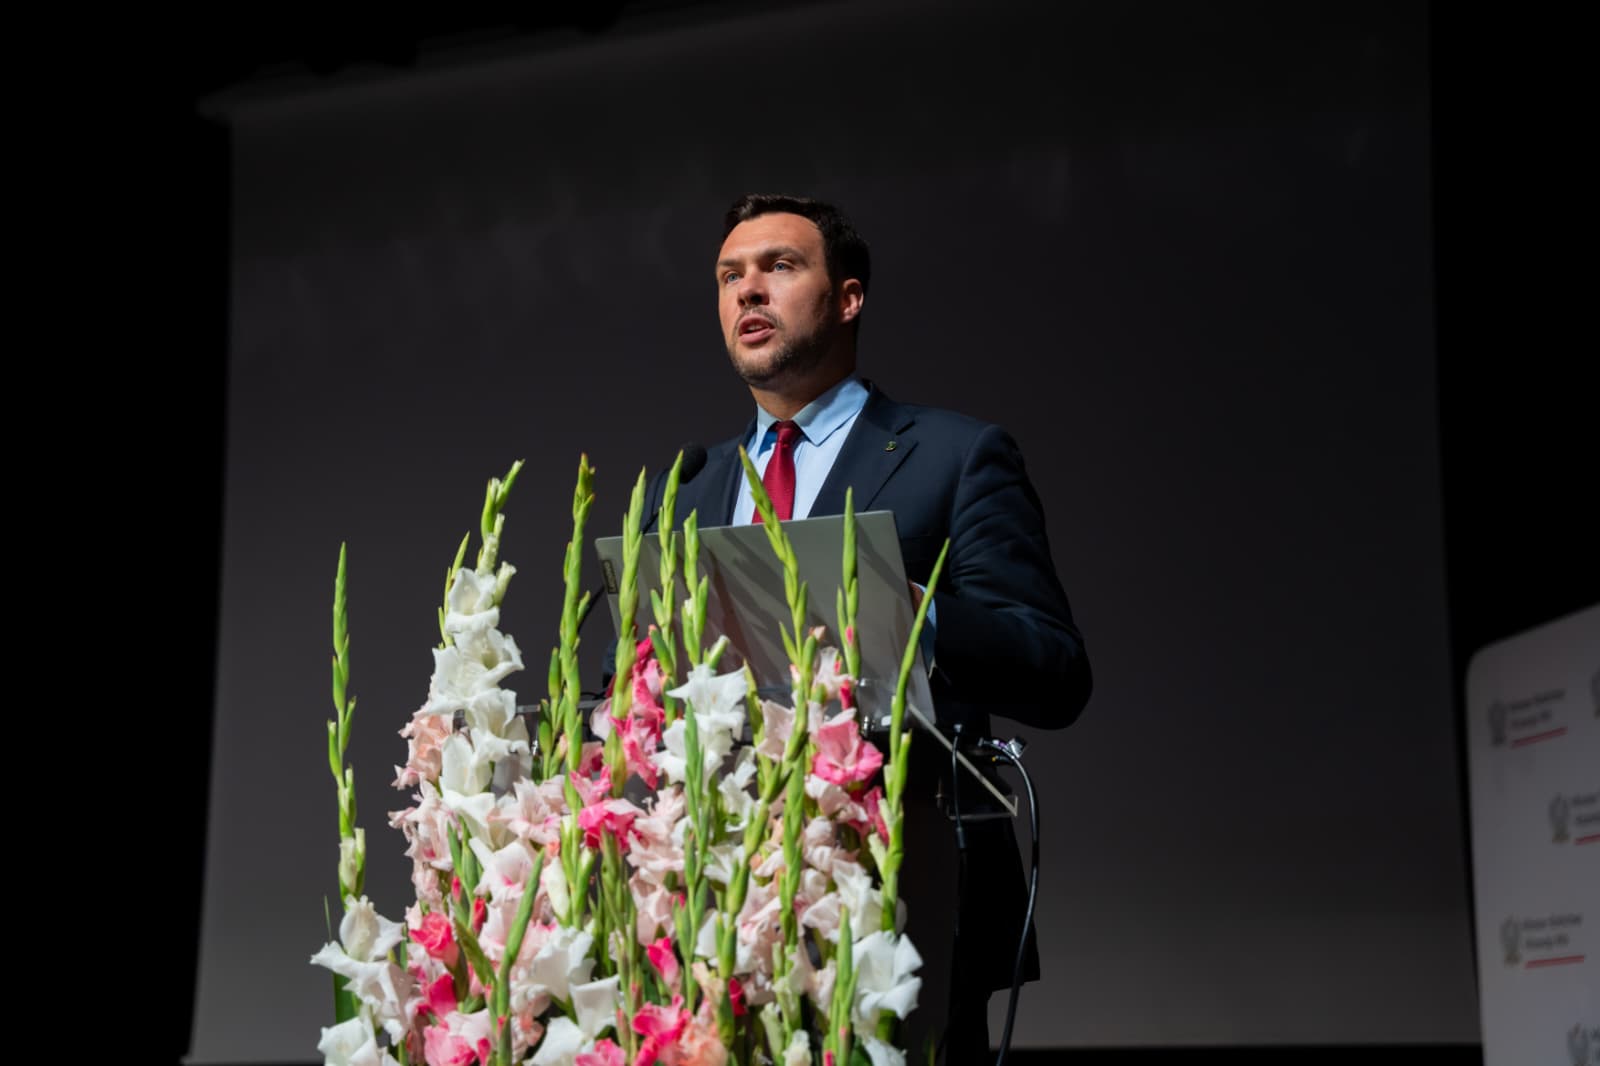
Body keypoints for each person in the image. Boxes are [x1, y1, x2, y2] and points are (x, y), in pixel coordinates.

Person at [643, 193, 1093, 1061]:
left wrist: (911, 614)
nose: (748, 292)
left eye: (779, 267)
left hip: (901, 891)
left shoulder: (954, 457)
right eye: (730, 276)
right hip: (716, 901)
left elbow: (1054, 670)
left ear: (848, 297)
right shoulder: (688, 488)